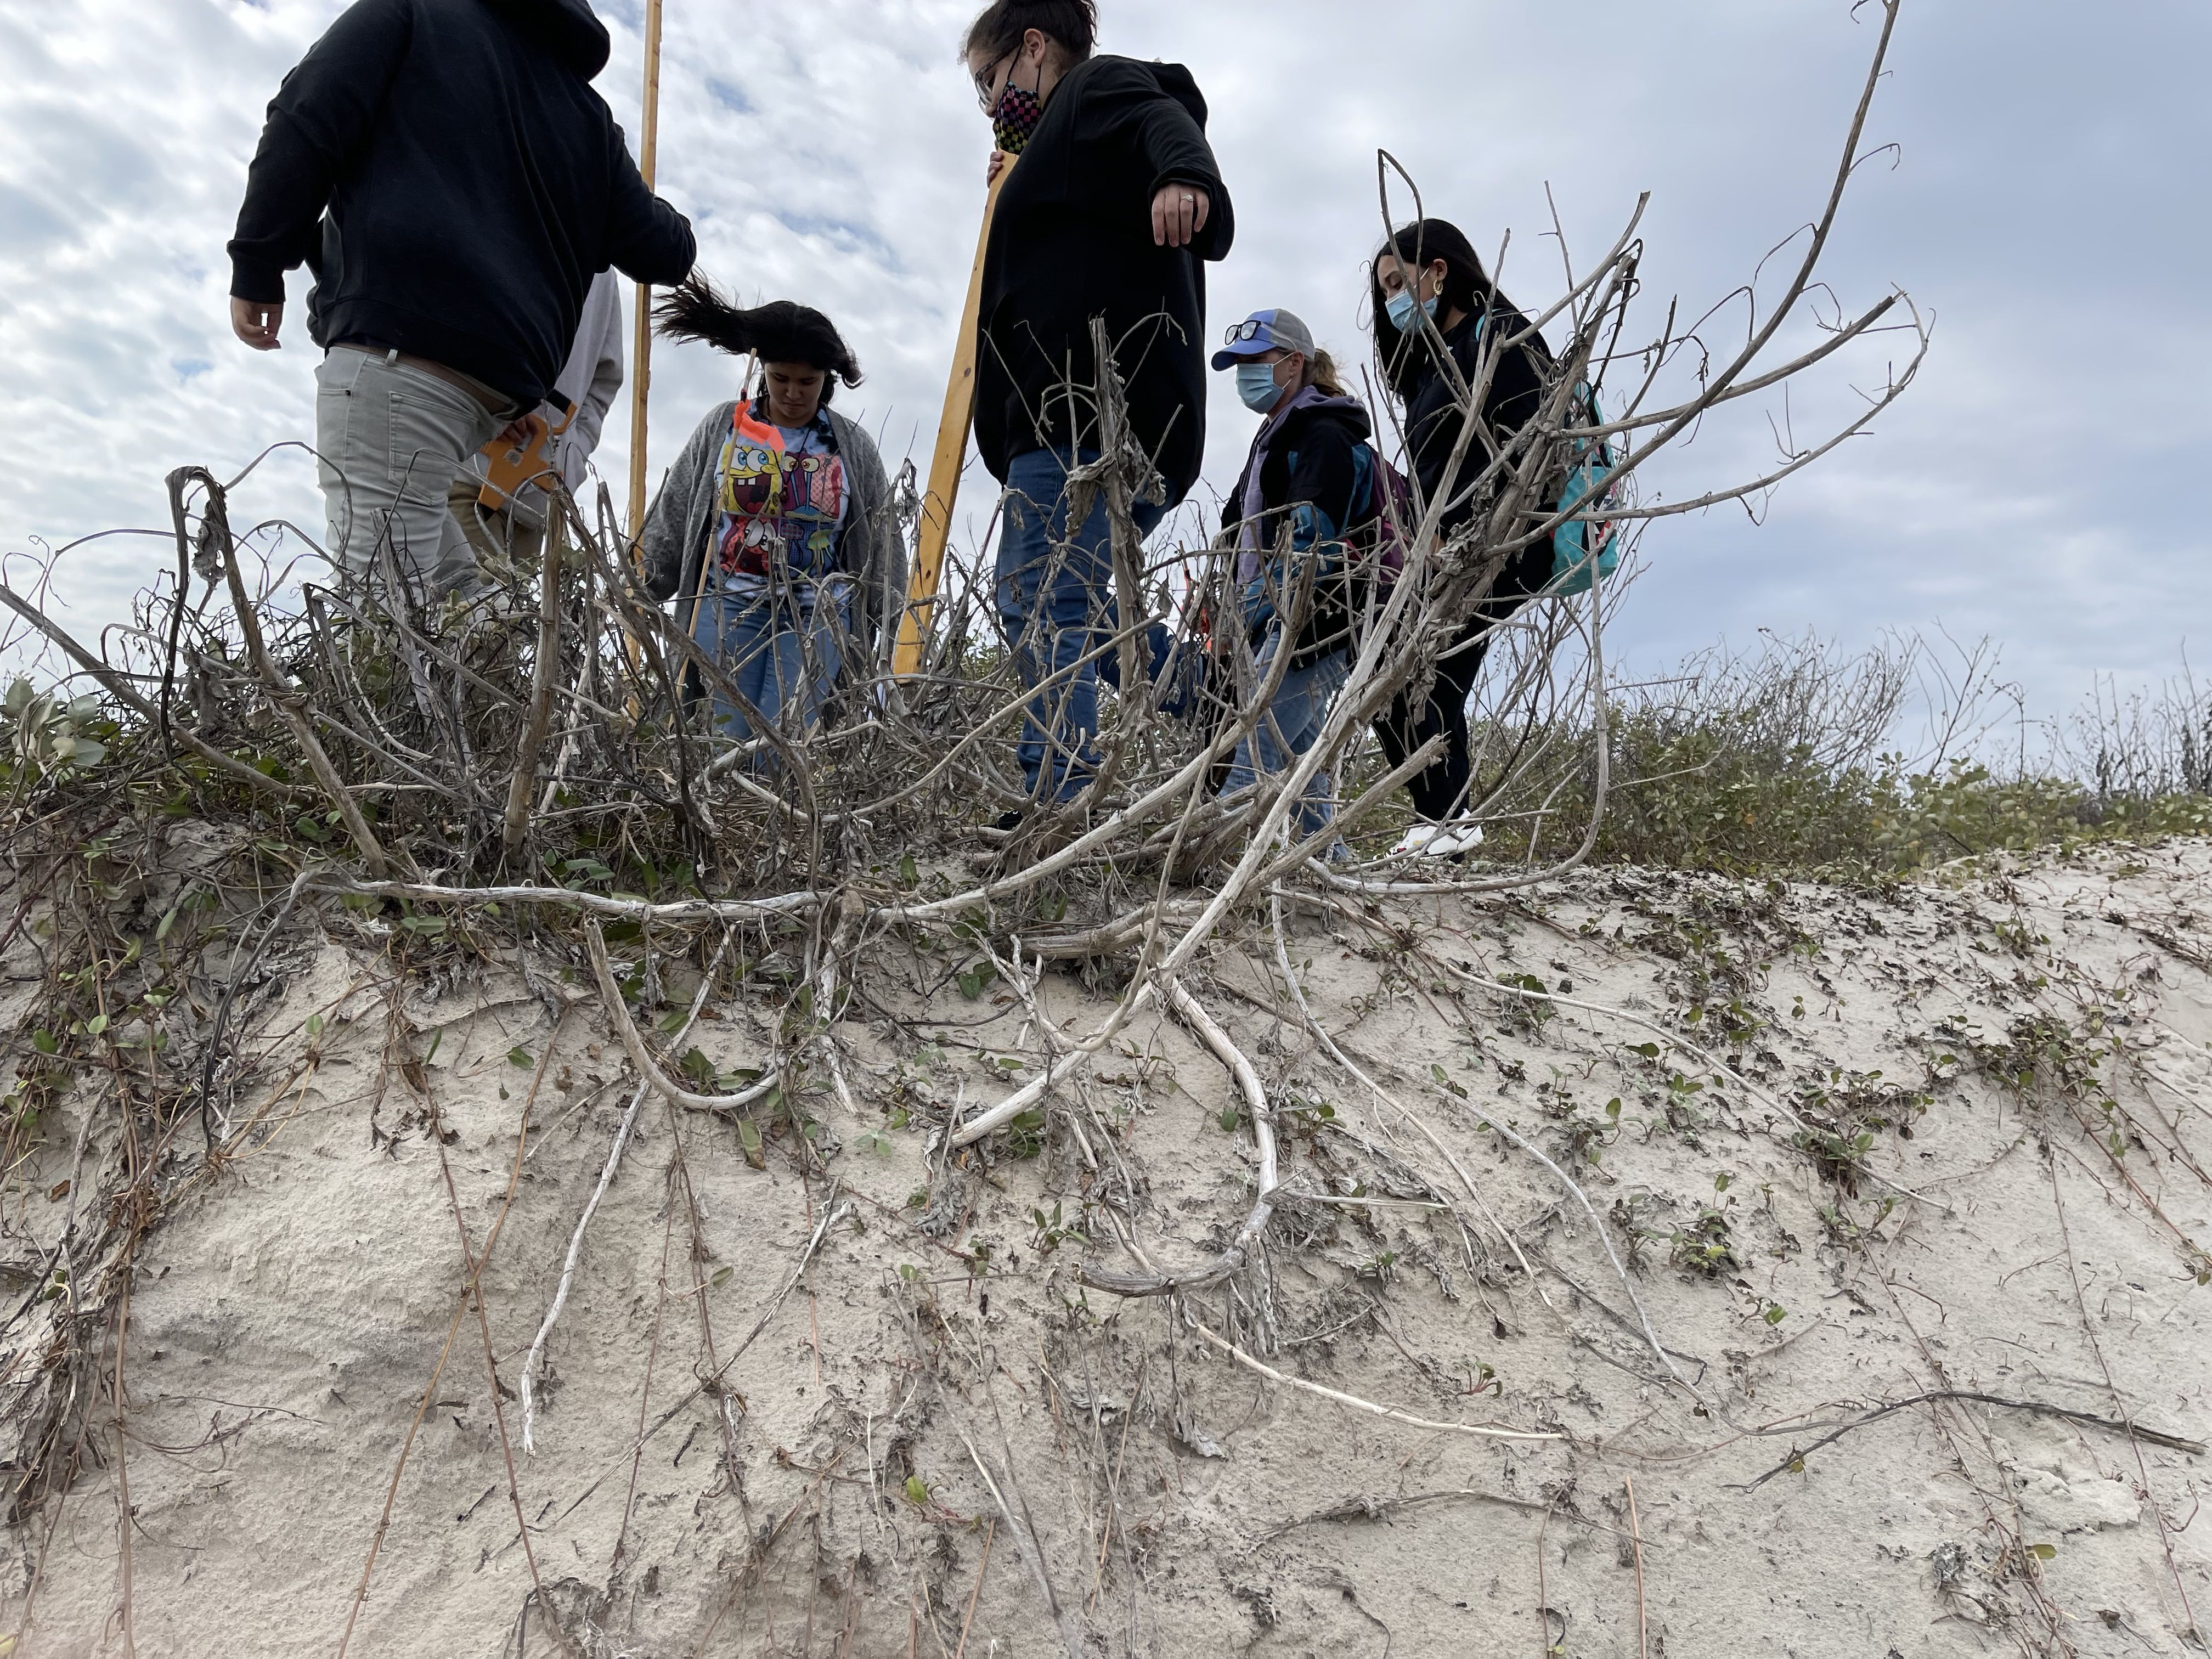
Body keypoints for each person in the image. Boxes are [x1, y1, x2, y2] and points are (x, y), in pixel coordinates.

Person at [225, 0, 695, 603]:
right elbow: (666, 251)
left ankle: (451, 685)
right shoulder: (587, 117)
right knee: (456, 615)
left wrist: (260, 264)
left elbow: (306, 116)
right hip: (497, 391)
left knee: (384, 630)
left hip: (401, 356)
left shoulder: (411, 13)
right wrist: (639, 195)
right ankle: (496, 686)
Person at [963, 0, 1235, 816]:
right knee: (1072, 598)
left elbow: (1162, 113)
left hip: (1086, 419)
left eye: (990, 80)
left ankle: (1059, 791)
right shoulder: (1059, 143)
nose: (988, 104)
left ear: (1035, 48)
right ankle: (1203, 693)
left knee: (1041, 595)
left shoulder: (1095, 89)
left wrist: (1186, 175)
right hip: (1079, 423)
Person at [636, 280, 907, 748]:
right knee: (723, 740)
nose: (794, 393)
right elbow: (678, 509)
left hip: (816, 614)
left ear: (829, 378)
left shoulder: (852, 446)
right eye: (782, 378)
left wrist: (890, 613)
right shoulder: (727, 425)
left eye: (808, 382)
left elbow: (881, 539)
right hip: (728, 604)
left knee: (786, 744)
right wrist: (641, 584)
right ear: (763, 370)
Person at [1368, 218, 1559, 857]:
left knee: (1428, 673)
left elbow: (1532, 444)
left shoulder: (1502, 339)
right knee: (1398, 675)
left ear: (1439, 271)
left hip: (1498, 544)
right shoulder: (1432, 368)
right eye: (1386, 289)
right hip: (1443, 550)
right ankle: (1440, 820)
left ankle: (1448, 822)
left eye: (1400, 281)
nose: (1394, 299)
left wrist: (1465, 529)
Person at [1211, 309, 1379, 850]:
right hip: (1284, 619)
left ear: (1293, 363)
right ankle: (1332, 867)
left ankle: (1209, 855)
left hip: (1315, 619)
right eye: (1238, 365)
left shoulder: (1325, 434)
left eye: (1254, 362)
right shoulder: (1272, 441)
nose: (1244, 376)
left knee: (1255, 750)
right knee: (1303, 759)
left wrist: (1258, 611)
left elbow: (1311, 550)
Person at [449, 269, 625, 587]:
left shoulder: (602, 270)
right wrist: (492, 399)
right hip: (466, 474)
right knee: (457, 621)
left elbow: (604, 380)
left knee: (511, 630)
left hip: (534, 502)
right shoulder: (500, 220)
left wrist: (572, 453)